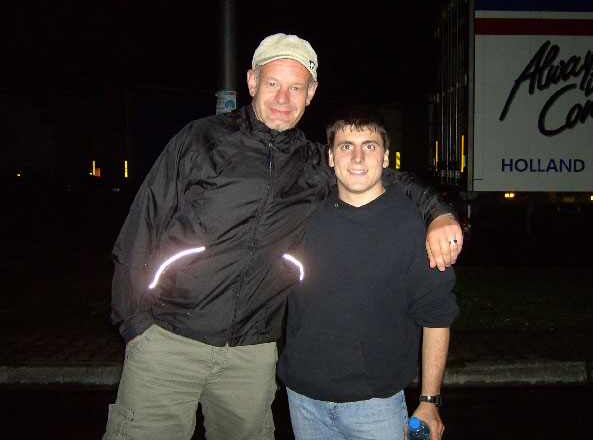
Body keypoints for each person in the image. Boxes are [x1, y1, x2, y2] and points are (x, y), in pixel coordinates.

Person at [103, 33, 462, 440]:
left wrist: (439, 213)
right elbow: (140, 228)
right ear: (252, 81)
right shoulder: (200, 140)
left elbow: (380, 175)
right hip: (169, 340)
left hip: (252, 354)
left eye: (295, 87)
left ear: (311, 93)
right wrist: (135, 325)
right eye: (273, 83)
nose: (282, 98)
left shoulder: (313, 162)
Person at [277, 107, 458, 440]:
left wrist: (429, 400)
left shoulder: (413, 225)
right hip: (302, 399)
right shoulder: (304, 215)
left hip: (376, 408)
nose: (357, 157)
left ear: (386, 157)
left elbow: (436, 316)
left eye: (369, 146)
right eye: (346, 146)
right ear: (331, 157)